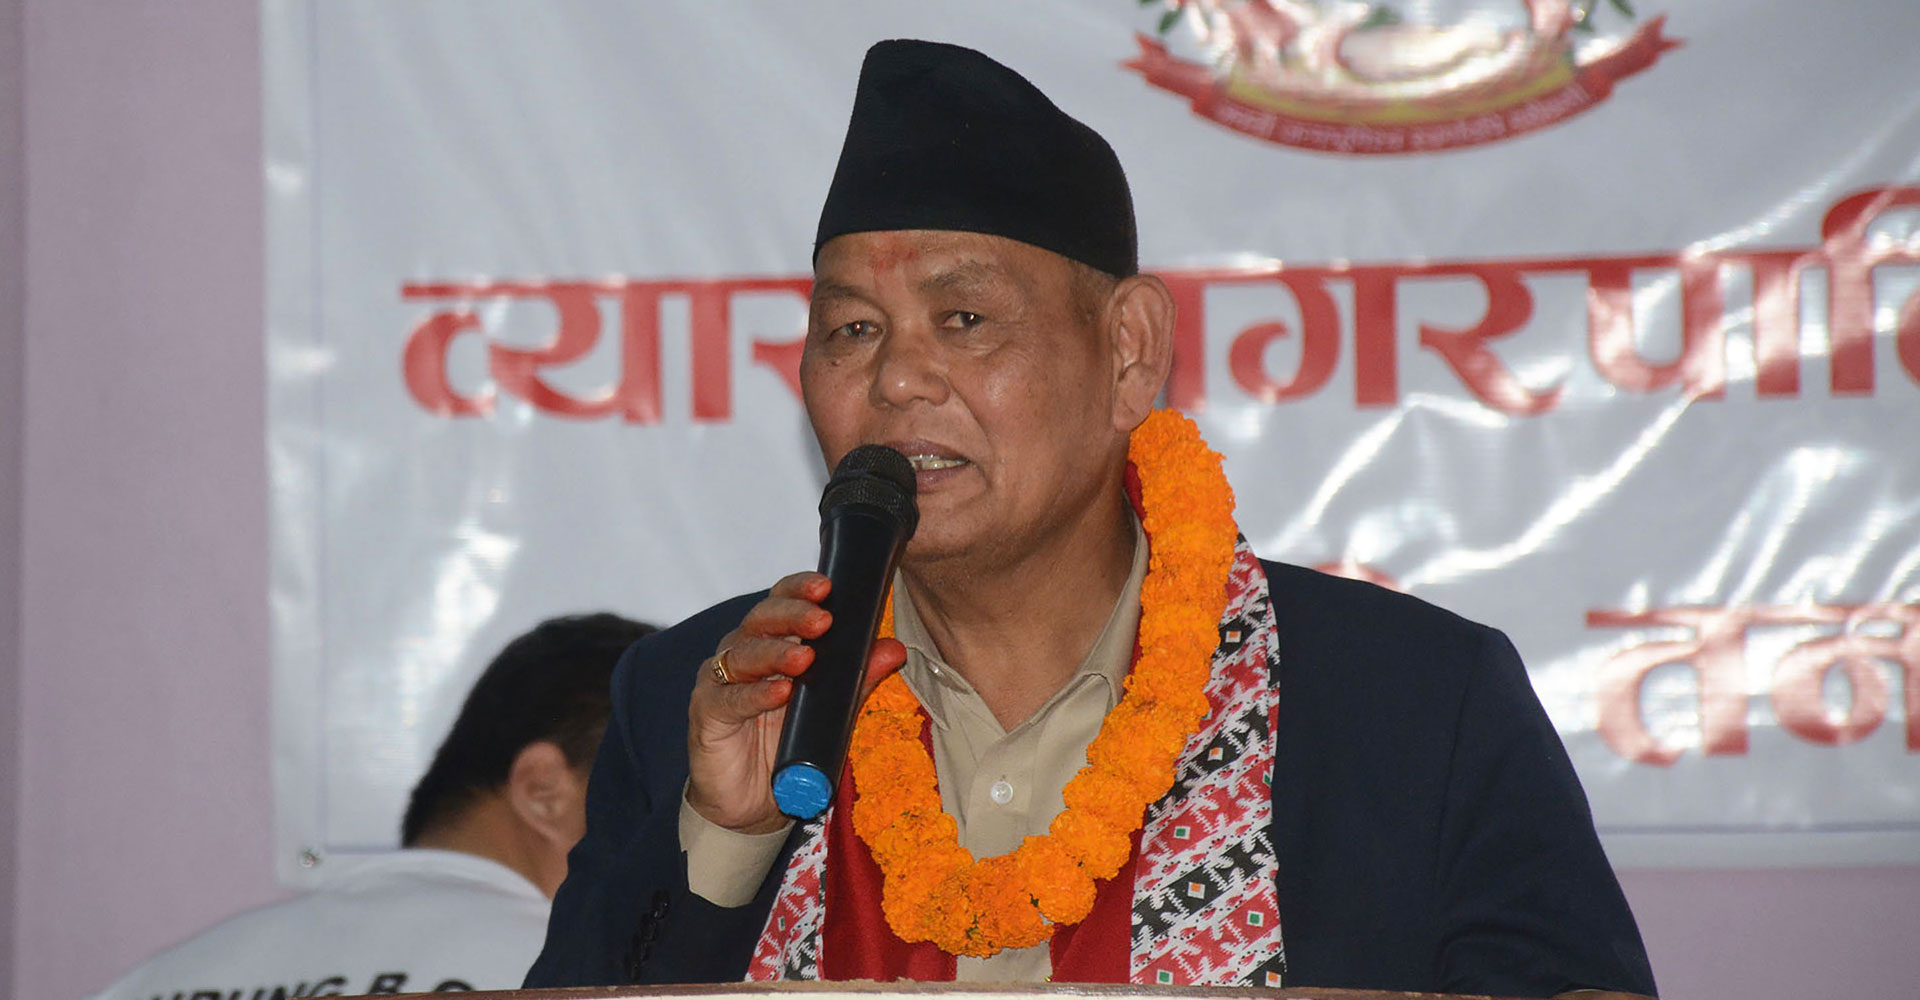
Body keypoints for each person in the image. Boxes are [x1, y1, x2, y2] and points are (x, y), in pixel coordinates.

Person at [527, 39, 1657, 999]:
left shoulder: (1414, 706)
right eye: (853, 330)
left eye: (964, 319)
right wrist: (725, 837)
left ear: (1128, 353)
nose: (897, 379)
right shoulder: (697, 702)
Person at [92, 612, 655, 1000]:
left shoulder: (155, 981)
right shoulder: (618, 978)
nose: (687, 837)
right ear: (544, 791)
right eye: (676, 797)